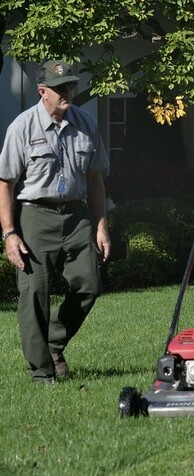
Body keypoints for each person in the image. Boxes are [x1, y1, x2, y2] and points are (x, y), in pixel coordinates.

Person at [0, 60, 111, 384]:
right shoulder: (22, 127)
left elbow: (95, 179)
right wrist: (9, 233)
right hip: (35, 214)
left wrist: (101, 225)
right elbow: (5, 182)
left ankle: (53, 343)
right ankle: (41, 371)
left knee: (90, 283)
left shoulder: (86, 123)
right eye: (61, 88)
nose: (68, 93)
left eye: (71, 86)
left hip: (76, 215)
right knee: (35, 291)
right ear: (42, 91)